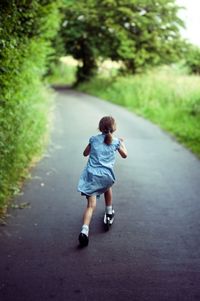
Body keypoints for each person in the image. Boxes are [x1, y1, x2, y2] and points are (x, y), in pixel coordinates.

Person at [77, 116, 127, 247]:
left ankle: (84, 231)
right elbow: (125, 155)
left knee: (90, 206)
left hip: (92, 176)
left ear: (99, 128)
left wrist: (92, 147)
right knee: (107, 187)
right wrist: (121, 143)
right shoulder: (116, 142)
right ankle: (109, 211)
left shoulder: (93, 139)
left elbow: (85, 153)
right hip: (106, 176)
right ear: (114, 128)